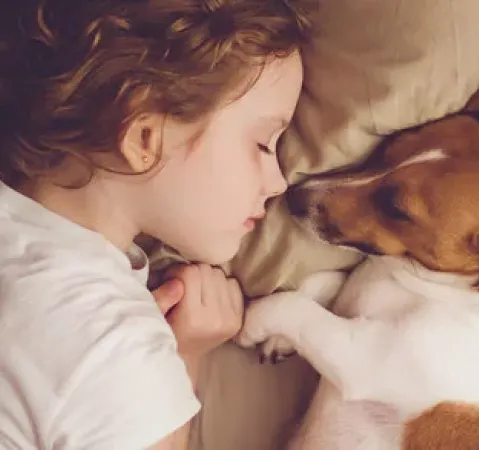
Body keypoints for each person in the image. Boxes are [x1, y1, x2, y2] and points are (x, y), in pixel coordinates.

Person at [0, 0, 310, 448]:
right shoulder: (117, 355)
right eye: (263, 144)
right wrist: (184, 356)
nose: (279, 181)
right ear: (145, 138)